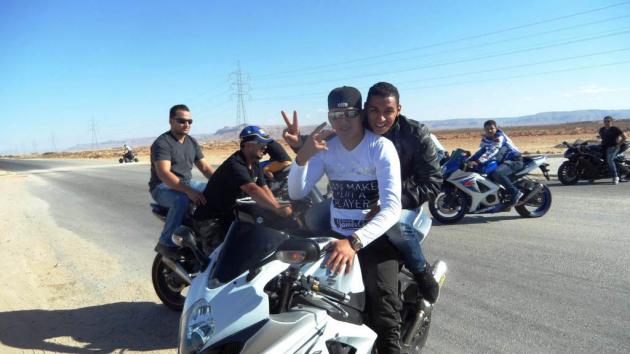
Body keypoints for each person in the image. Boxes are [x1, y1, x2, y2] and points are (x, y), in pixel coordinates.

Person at [287, 86, 403, 354]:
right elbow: (297, 191)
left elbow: (391, 208)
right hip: (337, 238)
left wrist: (354, 241)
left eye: (349, 113)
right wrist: (302, 157)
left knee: (384, 312)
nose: (342, 121)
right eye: (335, 115)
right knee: (317, 302)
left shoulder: (380, 148)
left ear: (360, 114)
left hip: (373, 239)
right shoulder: (326, 148)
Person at [363, 81, 442, 302]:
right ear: (365, 109)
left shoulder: (415, 133)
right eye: (374, 111)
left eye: (388, 111)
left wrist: (392, 202)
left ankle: (421, 271)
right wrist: (300, 148)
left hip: (404, 201)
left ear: (398, 109)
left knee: (393, 225)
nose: (380, 118)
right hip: (361, 203)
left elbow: (433, 181)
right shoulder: (355, 130)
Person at [193, 125, 293, 230]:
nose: (265, 147)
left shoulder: (255, 162)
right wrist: (276, 208)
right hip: (211, 219)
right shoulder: (235, 164)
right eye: (261, 143)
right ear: (247, 145)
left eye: (266, 144)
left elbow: (264, 187)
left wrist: (276, 206)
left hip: (229, 214)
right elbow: (252, 189)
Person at [149, 104, 215, 256]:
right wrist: (189, 191)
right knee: (181, 200)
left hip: (185, 184)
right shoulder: (162, 143)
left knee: (213, 192)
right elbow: (164, 174)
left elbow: (205, 167)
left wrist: (223, 183)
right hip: (162, 187)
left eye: (190, 122)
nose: (186, 124)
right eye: (181, 121)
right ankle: (165, 242)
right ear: (171, 121)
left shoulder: (191, 142)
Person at [467, 120, 523, 206]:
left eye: (491, 128)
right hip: (503, 161)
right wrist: (469, 159)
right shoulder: (485, 139)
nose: (489, 131)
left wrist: (478, 161)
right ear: (484, 129)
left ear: (496, 128)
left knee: (497, 173)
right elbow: (481, 151)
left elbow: (493, 150)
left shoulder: (499, 137)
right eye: (487, 129)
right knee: (483, 173)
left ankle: (515, 192)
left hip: (514, 160)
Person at [598, 116, 627, 184]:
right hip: (604, 147)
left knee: (610, 160)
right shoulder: (601, 130)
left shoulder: (615, 129)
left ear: (611, 122)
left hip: (613, 147)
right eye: (605, 121)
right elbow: (603, 138)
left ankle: (615, 177)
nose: (606, 123)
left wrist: (619, 144)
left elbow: (625, 137)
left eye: (608, 121)